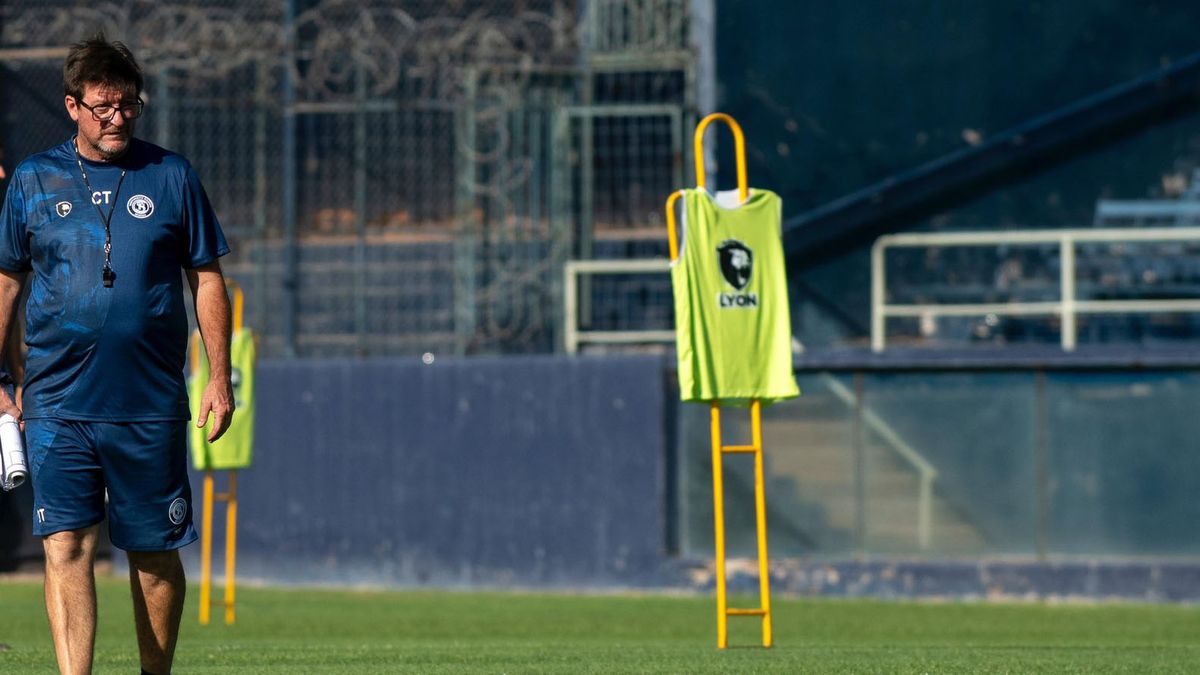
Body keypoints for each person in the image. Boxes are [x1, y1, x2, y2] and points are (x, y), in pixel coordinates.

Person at [0, 34, 234, 675]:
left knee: (155, 553)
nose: (117, 118)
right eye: (103, 106)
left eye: (128, 105)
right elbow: (7, 282)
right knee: (65, 545)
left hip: (149, 403)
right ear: (72, 105)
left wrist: (220, 376)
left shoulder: (171, 174)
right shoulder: (32, 179)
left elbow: (206, 279)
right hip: (56, 402)